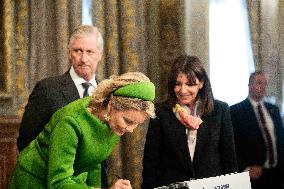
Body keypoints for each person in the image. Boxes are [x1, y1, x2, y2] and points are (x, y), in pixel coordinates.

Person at [8, 72, 156, 189]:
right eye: (128, 121)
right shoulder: (71, 123)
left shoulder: (113, 123)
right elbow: (58, 182)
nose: (130, 130)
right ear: (111, 105)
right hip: (35, 181)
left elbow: (93, 163)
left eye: (137, 124)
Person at [17, 25, 109, 188]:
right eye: (78, 51)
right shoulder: (47, 89)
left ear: (100, 54)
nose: (83, 58)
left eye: (90, 52)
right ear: (69, 52)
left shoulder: (108, 95)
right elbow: (26, 142)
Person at [141, 55, 237, 189]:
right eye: (178, 84)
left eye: (190, 84)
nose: (183, 90)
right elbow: (151, 163)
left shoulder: (220, 110)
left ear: (201, 83)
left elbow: (229, 160)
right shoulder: (161, 112)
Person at [230, 71, 284, 189]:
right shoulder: (235, 111)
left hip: (277, 173)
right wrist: (244, 168)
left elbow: (281, 139)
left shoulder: (273, 109)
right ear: (249, 85)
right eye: (259, 83)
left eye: (265, 83)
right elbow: (230, 145)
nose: (263, 86)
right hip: (254, 175)